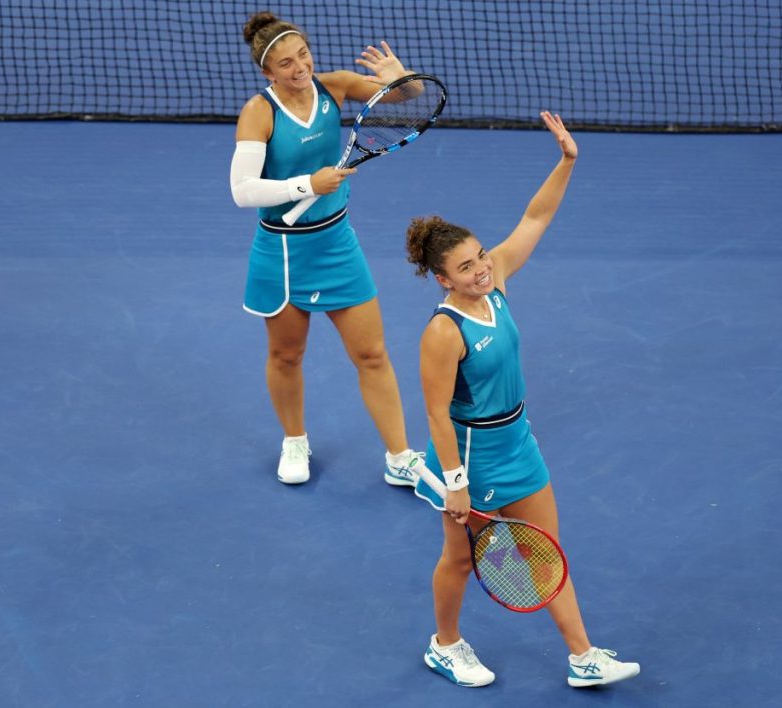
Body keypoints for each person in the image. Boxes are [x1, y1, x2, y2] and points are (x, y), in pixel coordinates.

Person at [404, 112, 640, 688]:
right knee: (461, 559)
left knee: (545, 552)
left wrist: (566, 161)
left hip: (518, 442)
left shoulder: (498, 280)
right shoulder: (443, 332)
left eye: (480, 255)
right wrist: (455, 482)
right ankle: (445, 645)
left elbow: (536, 217)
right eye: (465, 267)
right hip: (472, 457)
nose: (481, 269)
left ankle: (583, 656)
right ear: (442, 279)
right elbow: (435, 413)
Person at [231, 12, 423, 486]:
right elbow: (242, 190)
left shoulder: (334, 86)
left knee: (372, 354)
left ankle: (400, 457)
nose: (300, 68)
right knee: (286, 357)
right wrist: (306, 185)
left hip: (337, 243)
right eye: (286, 63)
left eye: (303, 55)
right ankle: (294, 440)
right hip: (282, 253)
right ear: (267, 72)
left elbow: (408, 96)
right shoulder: (259, 112)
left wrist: (401, 78)